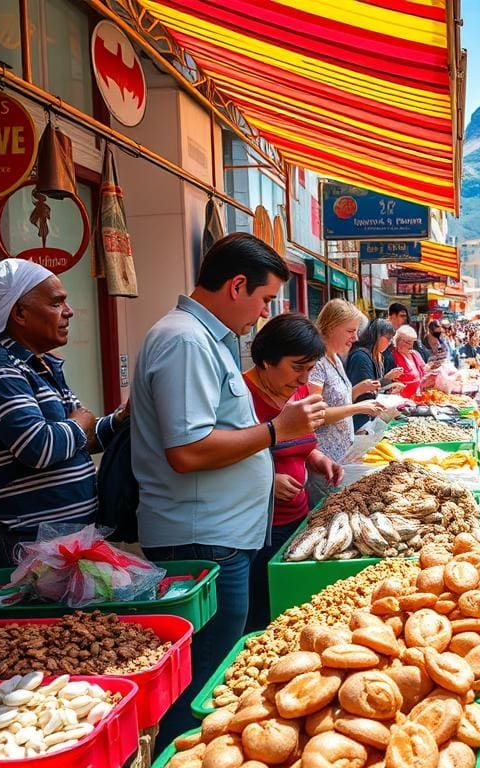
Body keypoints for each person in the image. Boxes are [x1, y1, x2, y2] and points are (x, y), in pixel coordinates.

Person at [131, 233, 326, 744]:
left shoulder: (203, 339)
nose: (263, 315)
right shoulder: (186, 341)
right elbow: (188, 451)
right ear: (237, 285)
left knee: (214, 668)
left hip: (222, 534)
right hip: (203, 536)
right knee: (200, 678)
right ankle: (184, 750)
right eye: (264, 300)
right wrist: (275, 432)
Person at [0, 259, 126, 570]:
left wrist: (118, 420)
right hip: (24, 542)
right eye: (56, 302)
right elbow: (39, 448)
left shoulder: (41, 365)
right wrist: (78, 423)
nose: (69, 311)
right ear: (19, 313)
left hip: (60, 541)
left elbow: (80, 440)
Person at [242, 314, 342, 632]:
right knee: (261, 615)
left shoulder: (296, 393)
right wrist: (266, 482)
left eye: (310, 369)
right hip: (257, 530)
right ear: (267, 359)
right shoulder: (242, 396)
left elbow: (298, 443)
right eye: (297, 367)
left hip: (298, 518)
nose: (303, 379)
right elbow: (224, 454)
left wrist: (317, 458)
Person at [307, 299, 384, 506]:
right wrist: (358, 407)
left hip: (342, 457)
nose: (356, 337)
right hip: (324, 462)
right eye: (350, 331)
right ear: (331, 327)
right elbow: (314, 416)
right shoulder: (316, 364)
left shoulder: (335, 357)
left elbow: (336, 400)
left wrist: (360, 389)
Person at [346, 318, 401, 430]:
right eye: (388, 338)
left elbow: (372, 386)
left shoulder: (376, 355)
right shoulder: (361, 357)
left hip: (367, 418)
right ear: (377, 336)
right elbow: (365, 394)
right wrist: (386, 381)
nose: (390, 343)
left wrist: (388, 384)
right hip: (360, 422)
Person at [391, 324, 436, 398]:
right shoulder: (393, 357)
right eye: (408, 342)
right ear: (398, 340)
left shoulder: (415, 354)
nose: (411, 345)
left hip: (419, 396)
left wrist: (430, 368)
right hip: (402, 399)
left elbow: (424, 370)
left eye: (412, 342)